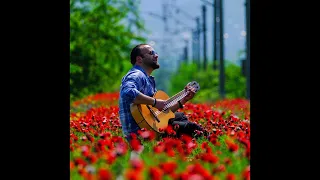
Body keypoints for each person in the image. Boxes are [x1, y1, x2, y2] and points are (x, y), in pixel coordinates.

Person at [118, 44, 208, 155]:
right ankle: (209, 151)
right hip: (139, 134)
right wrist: (155, 102)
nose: (156, 55)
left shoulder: (147, 79)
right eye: (151, 53)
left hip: (150, 128)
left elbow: (161, 114)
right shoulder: (137, 75)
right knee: (192, 128)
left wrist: (183, 100)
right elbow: (127, 92)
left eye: (156, 53)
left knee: (180, 117)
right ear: (139, 59)